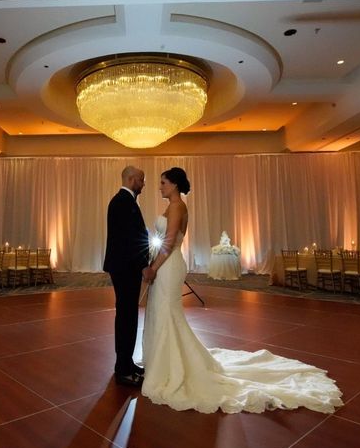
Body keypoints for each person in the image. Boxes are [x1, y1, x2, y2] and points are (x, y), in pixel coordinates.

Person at [141, 167, 344, 414]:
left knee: (167, 314)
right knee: (164, 314)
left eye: (163, 182)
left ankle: (170, 367)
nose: (159, 186)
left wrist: (153, 268)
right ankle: (165, 362)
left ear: (173, 184)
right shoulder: (176, 206)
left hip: (169, 265)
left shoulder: (176, 207)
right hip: (168, 265)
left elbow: (170, 241)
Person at [103, 165, 149, 387]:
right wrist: (144, 265)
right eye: (141, 179)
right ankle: (122, 368)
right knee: (126, 317)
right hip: (125, 268)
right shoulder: (122, 202)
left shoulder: (124, 201)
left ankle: (127, 363)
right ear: (131, 179)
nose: (143, 183)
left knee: (128, 316)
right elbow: (130, 240)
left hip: (124, 267)